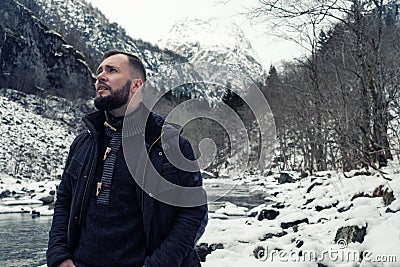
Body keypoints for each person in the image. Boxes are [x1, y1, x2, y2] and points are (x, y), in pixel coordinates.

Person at [46, 49, 208, 267]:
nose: (100, 77)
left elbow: (193, 213)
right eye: (99, 71)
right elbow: (64, 201)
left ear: (136, 86)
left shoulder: (169, 143)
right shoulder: (83, 143)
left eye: (112, 71)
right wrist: (59, 255)